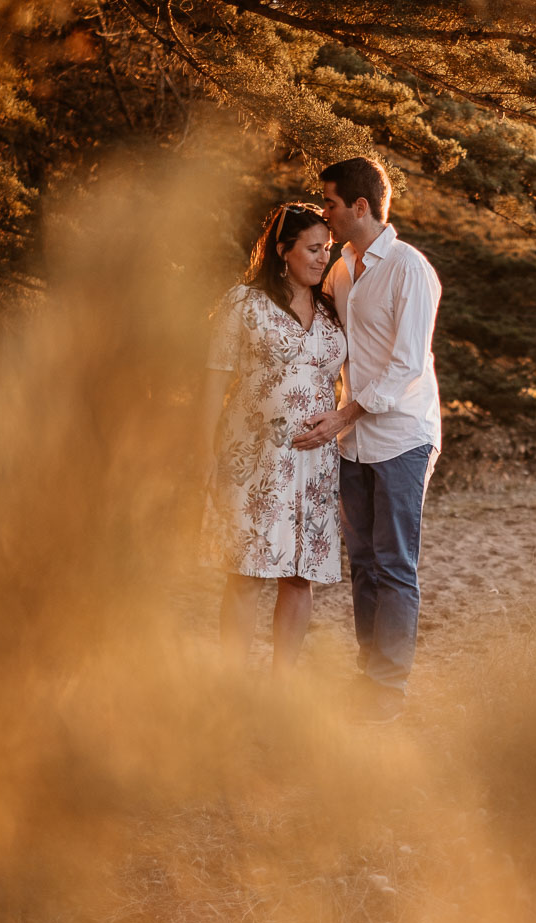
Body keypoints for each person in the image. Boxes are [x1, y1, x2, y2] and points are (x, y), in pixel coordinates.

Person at [293, 157, 442, 723]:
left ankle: (388, 691)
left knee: (394, 561)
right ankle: (367, 675)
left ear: (360, 206)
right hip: (352, 439)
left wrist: (342, 415)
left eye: (330, 204)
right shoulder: (341, 269)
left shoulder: (409, 269)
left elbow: (406, 366)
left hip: (402, 436)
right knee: (362, 561)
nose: (324, 215)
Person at [200, 202, 345, 676]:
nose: (323, 257)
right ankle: (232, 683)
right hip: (255, 458)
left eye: (327, 248)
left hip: (317, 463)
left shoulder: (330, 309)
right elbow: (213, 383)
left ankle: (282, 685)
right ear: (283, 249)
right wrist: (202, 450)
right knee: (246, 573)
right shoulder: (243, 302)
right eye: (313, 248)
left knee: (300, 576)